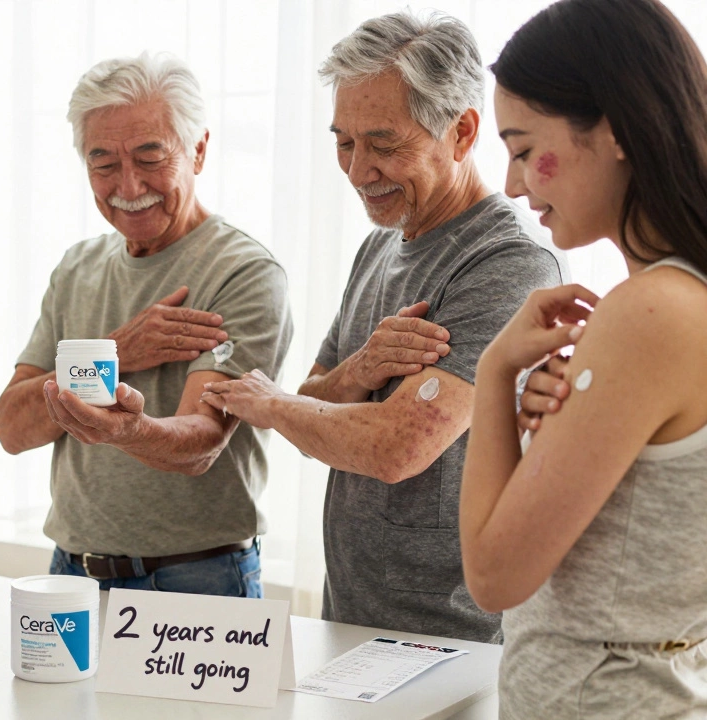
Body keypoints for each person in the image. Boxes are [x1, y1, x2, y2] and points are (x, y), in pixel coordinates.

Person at [201, 11, 562, 642]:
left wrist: (271, 404)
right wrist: (361, 369)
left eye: (384, 144)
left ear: (462, 131)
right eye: (344, 141)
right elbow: (316, 405)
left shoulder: (508, 264)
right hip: (351, 621)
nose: (358, 169)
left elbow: (400, 447)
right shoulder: (380, 249)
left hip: (453, 636)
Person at [460, 0, 707, 716]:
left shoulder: (651, 313)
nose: (511, 185)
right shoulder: (672, 302)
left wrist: (492, 373)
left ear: (616, 128)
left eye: (520, 145)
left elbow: (495, 574)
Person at [0, 53, 292, 597]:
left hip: (198, 578)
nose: (128, 185)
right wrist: (113, 354)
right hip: (72, 571)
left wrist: (122, 429)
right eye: (103, 162)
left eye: (150, 156)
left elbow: (201, 444)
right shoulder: (76, 269)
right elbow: (12, 429)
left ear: (198, 150)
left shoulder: (243, 271)